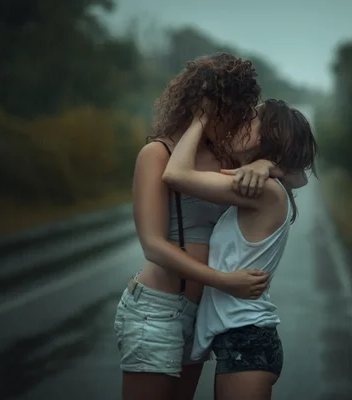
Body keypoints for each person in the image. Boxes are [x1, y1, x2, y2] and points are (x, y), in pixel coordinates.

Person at [113, 53, 306, 400]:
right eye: (232, 111)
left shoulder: (229, 161)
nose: (239, 120)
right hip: (157, 309)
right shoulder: (157, 155)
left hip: (198, 313)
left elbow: (299, 175)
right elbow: (153, 246)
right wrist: (223, 281)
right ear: (205, 106)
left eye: (244, 112)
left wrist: (266, 164)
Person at [163, 98, 318, 400]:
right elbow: (299, 176)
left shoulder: (264, 190)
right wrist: (268, 164)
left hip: (247, 342)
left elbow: (175, 175)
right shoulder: (265, 184)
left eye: (251, 120)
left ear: (268, 136)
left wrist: (200, 119)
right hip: (244, 341)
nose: (240, 124)